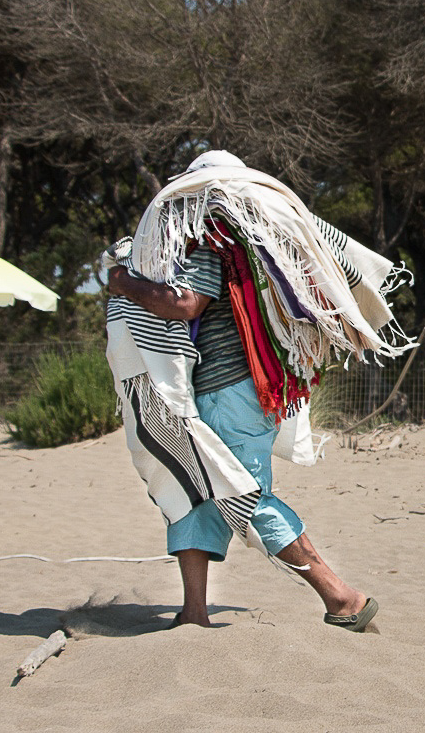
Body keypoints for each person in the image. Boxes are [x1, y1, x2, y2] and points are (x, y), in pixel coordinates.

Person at [105, 151, 379, 632]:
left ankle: (341, 597)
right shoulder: (235, 242)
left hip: (229, 393)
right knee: (193, 489)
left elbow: (185, 305)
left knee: (243, 494)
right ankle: (193, 612)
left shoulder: (214, 241)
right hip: (224, 393)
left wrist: (124, 281)